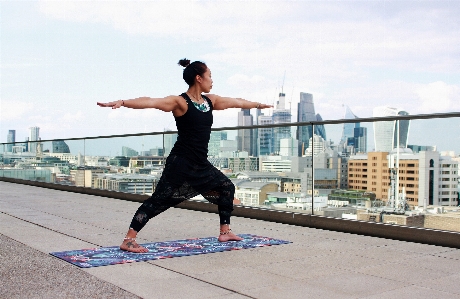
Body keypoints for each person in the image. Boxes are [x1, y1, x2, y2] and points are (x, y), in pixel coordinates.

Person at [97, 59, 272, 253]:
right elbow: (152, 102)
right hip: (181, 162)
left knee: (227, 187)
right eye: (210, 76)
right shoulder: (180, 102)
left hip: (200, 163)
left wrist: (258, 105)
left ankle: (225, 231)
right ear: (199, 78)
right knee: (158, 201)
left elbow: (236, 102)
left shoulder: (209, 101)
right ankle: (129, 240)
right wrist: (122, 102)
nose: (212, 80)